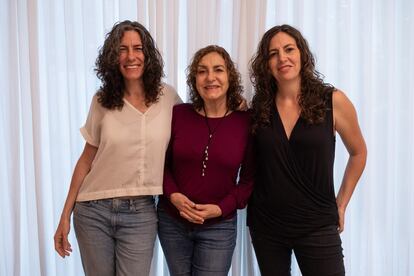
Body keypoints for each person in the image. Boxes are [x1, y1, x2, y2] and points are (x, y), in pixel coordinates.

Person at [53, 20, 180, 276]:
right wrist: (65, 215)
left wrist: (234, 106)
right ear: (113, 56)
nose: (131, 56)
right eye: (122, 49)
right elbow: (86, 159)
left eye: (137, 48)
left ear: (147, 54)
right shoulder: (102, 99)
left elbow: (196, 127)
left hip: (141, 213)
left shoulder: (168, 97)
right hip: (92, 211)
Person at [247, 24, 367, 276]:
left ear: (302, 53)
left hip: (317, 223)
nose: (282, 58)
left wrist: (341, 204)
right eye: (273, 53)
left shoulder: (333, 101)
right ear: (266, 63)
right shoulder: (259, 107)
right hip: (267, 225)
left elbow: (358, 152)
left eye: (289, 49)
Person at [157, 45, 255, 276]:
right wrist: (173, 196)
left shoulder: (246, 122)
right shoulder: (178, 114)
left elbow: (249, 180)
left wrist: (220, 209)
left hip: (218, 227)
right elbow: (161, 164)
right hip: (172, 220)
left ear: (229, 77)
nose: (210, 77)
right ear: (194, 79)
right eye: (202, 71)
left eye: (218, 70)